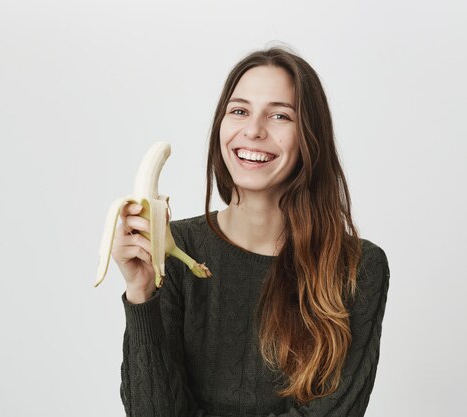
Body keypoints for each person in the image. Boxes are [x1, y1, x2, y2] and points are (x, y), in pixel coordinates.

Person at [111, 46, 391, 417]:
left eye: (279, 115)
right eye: (239, 111)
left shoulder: (358, 268)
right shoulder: (175, 252)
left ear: (310, 136)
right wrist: (141, 293)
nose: (254, 130)